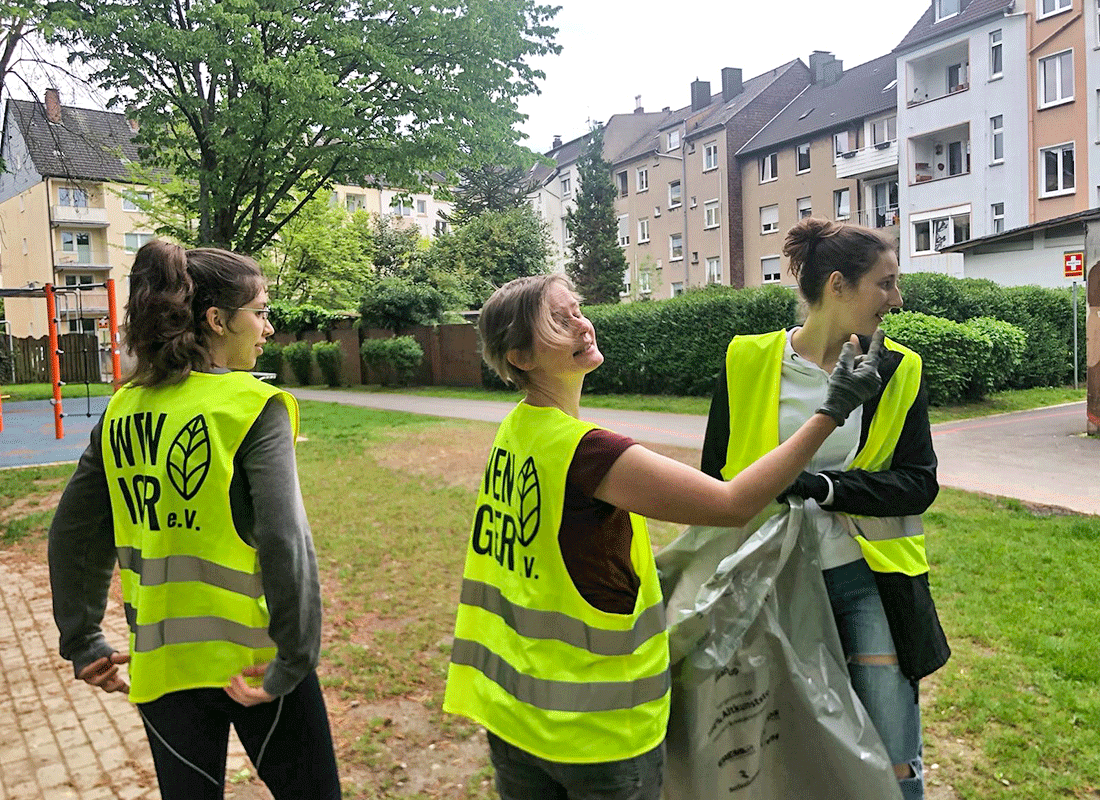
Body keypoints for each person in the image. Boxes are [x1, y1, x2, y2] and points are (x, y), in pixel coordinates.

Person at [443, 273, 885, 800]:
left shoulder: (516, 431)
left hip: (513, 715)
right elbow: (733, 504)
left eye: (578, 309)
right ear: (521, 358)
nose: (583, 325)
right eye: (559, 322)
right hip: (597, 732)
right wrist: (831, 411)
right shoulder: (587, 452)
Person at [48, 241, 341, 800]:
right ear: (217, 320)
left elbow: (73, 533)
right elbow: (286, 542)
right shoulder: (250, 406)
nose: (268, 328)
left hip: (164, 670)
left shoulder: (122, 410)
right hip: (257, 667)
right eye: (260, 311)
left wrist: (84, 639)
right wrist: (294, 660)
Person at [700, 218, 950, 800]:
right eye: (885, 284)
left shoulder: (898, 370)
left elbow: (918, 484)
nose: (897, 299)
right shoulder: (746, 360)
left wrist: (823, 488)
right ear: (838, 285)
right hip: (768, 583)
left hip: (866, 582)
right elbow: (716, 478)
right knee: (781, 744)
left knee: (894, 749)